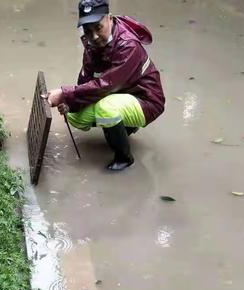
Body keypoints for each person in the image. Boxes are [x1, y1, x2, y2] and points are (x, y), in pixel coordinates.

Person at [47, 0, 165, 172]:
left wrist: (65, 93)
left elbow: (106, 85)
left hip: (146, 101)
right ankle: (123, 129)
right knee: (73, 116)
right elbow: (86, 81)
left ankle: (124, 158)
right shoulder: (90, 45)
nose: (94, 36)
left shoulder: (128, 45)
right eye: (88, 31)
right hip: (118, 94)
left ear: (109, 18)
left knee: (106, 109)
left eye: (98, 27)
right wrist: (70, 102)